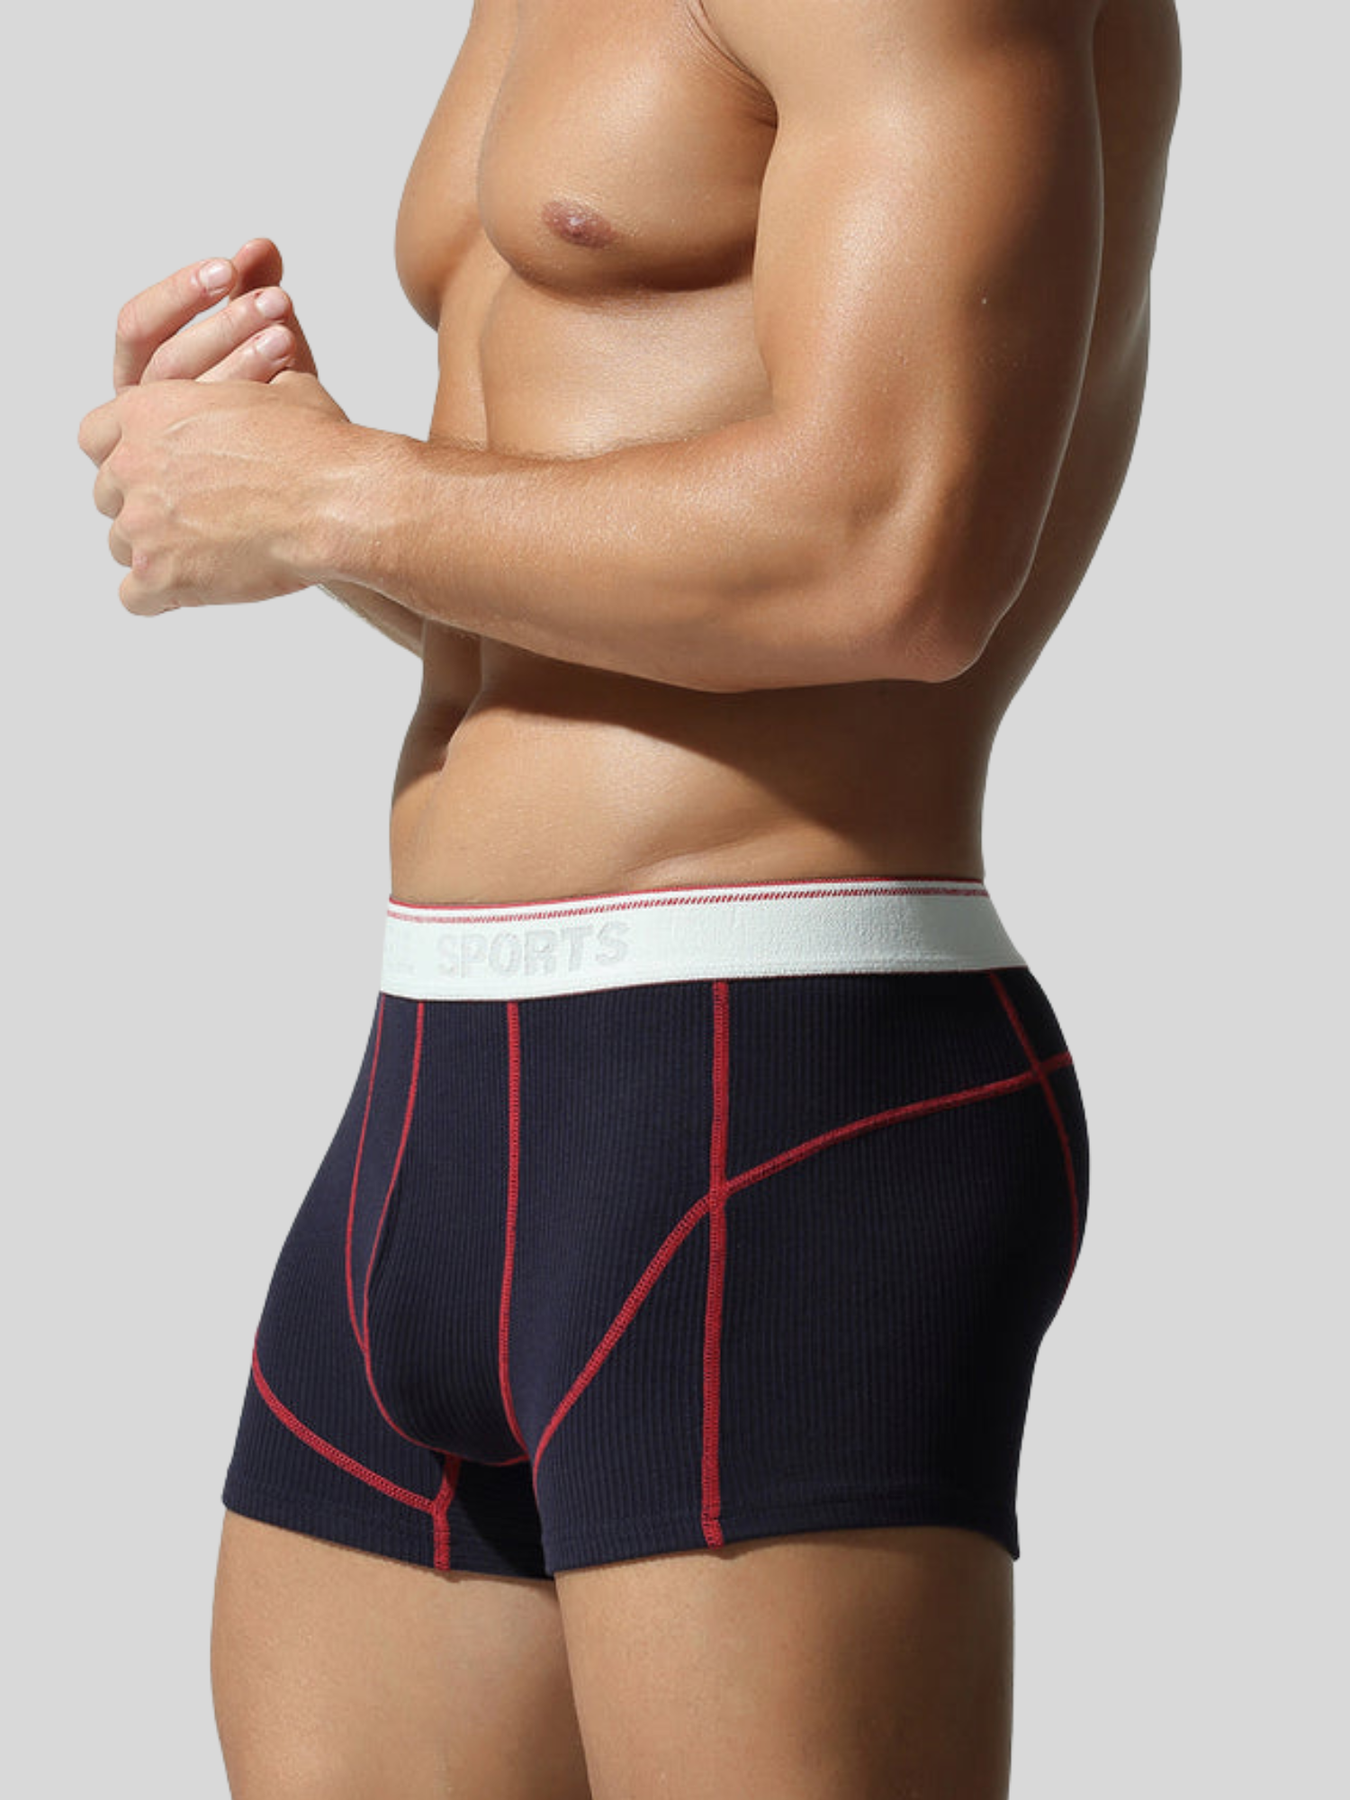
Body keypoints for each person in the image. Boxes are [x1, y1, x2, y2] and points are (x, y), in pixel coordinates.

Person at [78, 0, 1181, 1792]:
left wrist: (341, 494)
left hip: (773, 1089)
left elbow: (888, 558)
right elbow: (582, 597)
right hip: (427, 1091)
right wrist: (289, 483)